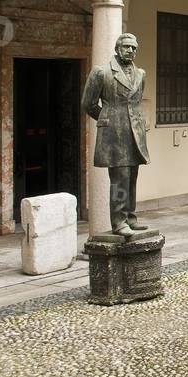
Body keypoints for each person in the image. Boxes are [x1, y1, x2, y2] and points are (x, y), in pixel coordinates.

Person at [82, 33, 151, 236]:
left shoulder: (140, 74)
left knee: (132, 176)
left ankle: (130, 217)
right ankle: (119, 221)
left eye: (134, 47)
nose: (130, 50)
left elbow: (136, 103)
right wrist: (107, 119)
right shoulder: (101, 72)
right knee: (119, 178)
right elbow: (89, 104)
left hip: (134, 133)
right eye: (126, 46)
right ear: (117, 48)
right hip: (114, 134)